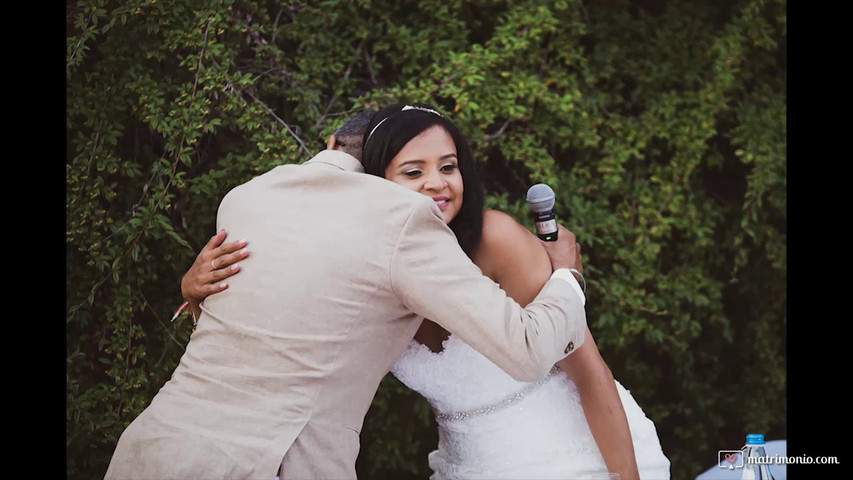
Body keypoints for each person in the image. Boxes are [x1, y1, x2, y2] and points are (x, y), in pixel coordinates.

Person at [188, 103, 671, 479]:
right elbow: (271, 317)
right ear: (375, 185)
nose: (437, 185)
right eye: (413, 172)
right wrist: (192, 286)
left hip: (573, 454)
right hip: (469, 464)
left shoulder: (497, 241)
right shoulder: (362, 264)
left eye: (448, 166)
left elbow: (591, 375)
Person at [105, 109, 589, 480]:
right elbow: (527, 351)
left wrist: (190, 289)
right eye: (411, 170)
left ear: (331, 144)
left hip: (152, 446)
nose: (431, 184)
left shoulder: (246, 197)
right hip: (270, 463)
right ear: (382, 171)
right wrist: (566, 274)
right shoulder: (402, 221)